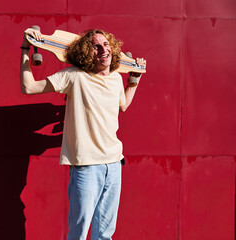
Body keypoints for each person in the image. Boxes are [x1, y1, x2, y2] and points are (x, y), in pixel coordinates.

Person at [20, 27, 146, 240]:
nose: (103, 50)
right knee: (78, 234)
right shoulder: (74, 77)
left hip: (114, 164)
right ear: (88, 52)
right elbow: (29, 87)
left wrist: (135, 79)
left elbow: (122, 105)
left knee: (105, 235)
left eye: (106, 45)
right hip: (86, 167)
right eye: (96, 46)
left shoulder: (115, 79)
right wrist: (25, 49)